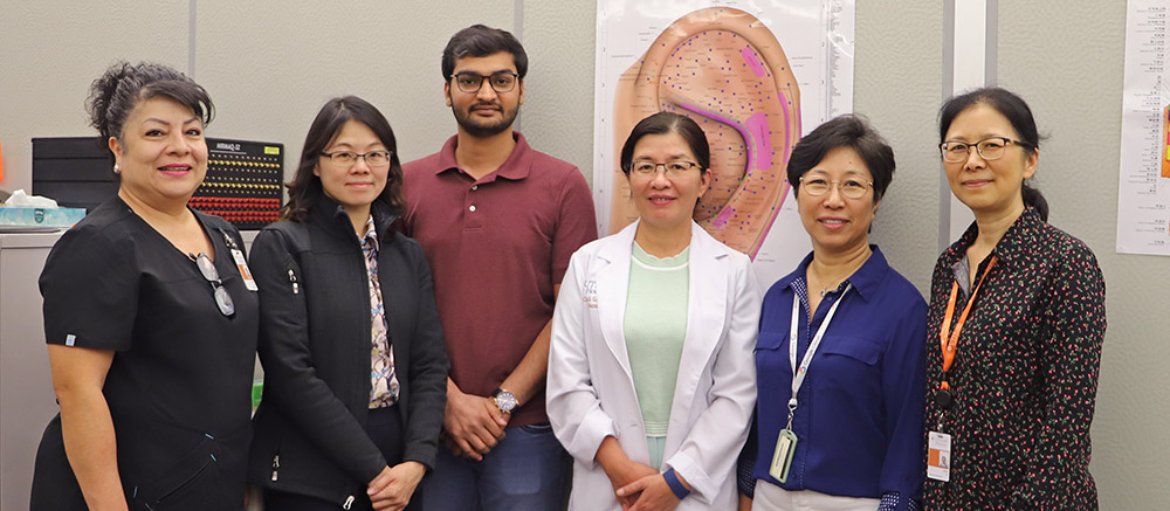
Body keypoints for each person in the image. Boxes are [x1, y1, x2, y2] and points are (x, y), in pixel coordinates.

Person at [29, 61, 258, 510]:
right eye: (156, 134)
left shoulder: (224, 235)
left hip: (209, 482)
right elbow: (78, 393)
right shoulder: (97, 245)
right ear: (118, 149)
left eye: (192, 133)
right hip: (132, 491)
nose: (180, 148)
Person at [402, 24, 598, 511]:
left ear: (521, 90)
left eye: (501, 80)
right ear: (447, 91)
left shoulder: (563, 184)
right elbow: (389, 306)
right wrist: (448, 401)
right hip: (431, 424)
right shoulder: (406, 183)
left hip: (528, 426)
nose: (486, 93)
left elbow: (571, 313)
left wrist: (501, 404)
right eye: (469, 80)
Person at [547, 111, 760, 511]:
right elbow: (567, 383)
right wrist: (619, 468)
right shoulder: (588, 264)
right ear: (628, 177)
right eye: (646, 166)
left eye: (678, 166)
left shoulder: (733, 272)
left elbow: (736, 394)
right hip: (608, 481)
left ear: (704, 180)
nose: (661, 180)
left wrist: (677, 482)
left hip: (696, 486)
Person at [247, 96, 449, 511]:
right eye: (343, 154)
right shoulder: (282, 245)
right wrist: (376, 470)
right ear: (315, 164)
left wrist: (417, 460)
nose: (361, 167)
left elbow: (429, 364)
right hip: (312, 470)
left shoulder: (406, 254)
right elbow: (291, 373)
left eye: (375, 154)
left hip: (401, 463)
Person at [924, 87, 1106, 509]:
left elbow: (1068, 421)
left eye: (992, 145)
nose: (973, 161)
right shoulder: (949, 265)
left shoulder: (1065, 263)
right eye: (958, 148)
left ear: (1030, 160)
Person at [737, 115, 926, 511]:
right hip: (769, 498)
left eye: (853, 185)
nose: (833, 200)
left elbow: (909, 435)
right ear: (797, 193)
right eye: (818, 182)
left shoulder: (903, 309)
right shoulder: (776, 298)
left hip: (855, 502)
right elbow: (754, 416)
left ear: (876, 201)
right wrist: (747, 493)